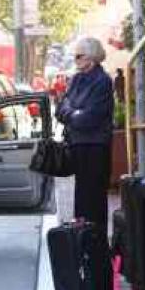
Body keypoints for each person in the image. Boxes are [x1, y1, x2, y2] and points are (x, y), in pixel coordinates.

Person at [56, 38, 113, 239]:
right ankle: (82, 238)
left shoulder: (103, 80)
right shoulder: (76, 79)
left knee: (95, 196)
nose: (76, 60)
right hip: (78, 144)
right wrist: (75, 113)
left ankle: (96, 241)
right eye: (75, 56)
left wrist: (72, 113)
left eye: (79, 56)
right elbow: (60, 109)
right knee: (81, 195)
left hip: (96, 146)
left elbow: (91, 117)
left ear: (92, 57)